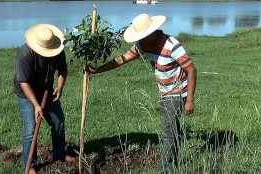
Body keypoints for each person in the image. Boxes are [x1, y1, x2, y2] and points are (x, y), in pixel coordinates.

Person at [84, 14, 197, 171]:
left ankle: (162, 168)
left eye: (143, 36)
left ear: (152, 33)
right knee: (173, 129)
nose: (140, 40)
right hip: (164, 91)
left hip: (178, 91)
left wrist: (190, 99)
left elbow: (191, 70)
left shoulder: (172, 45)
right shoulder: (144, 45)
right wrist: (97, 70)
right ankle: (174, 165)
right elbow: (122, 59)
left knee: (168, 130)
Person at [13, 23, 75, 174]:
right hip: (27, 94)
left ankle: (59, 154)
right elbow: (24, 82)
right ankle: (30, 166)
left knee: (58, 121)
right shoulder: (25, 53)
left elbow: (63, 69)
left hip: (47, 91)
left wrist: (60, 86)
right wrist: (36, 105)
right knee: (31, 130)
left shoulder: (58, 50)